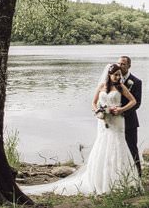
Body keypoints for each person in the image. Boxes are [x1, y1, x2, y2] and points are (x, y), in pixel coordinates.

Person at [20, 63, 142, 195]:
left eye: (119, 74)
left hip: (117, 121)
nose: (118, 77)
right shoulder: (101, 86)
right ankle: (100, 180)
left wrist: (121, 110)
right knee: (103, 145)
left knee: (117, 145)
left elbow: (133, 101)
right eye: (116, 75)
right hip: (103, 121)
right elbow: (94, 103)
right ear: (109, 75)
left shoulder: (121, 87)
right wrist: (98, 112)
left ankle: (120, 180)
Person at [116, 55, 142, 177]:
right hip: (115, 121)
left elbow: (137, 103)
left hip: (130, 121)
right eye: (119, 63)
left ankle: (138, 174)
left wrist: (123, 112)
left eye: (123, 64)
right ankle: (121, 174)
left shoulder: (136, 82)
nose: (120, 66)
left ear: (129, 66)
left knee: (132, 148)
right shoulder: (113, 80)